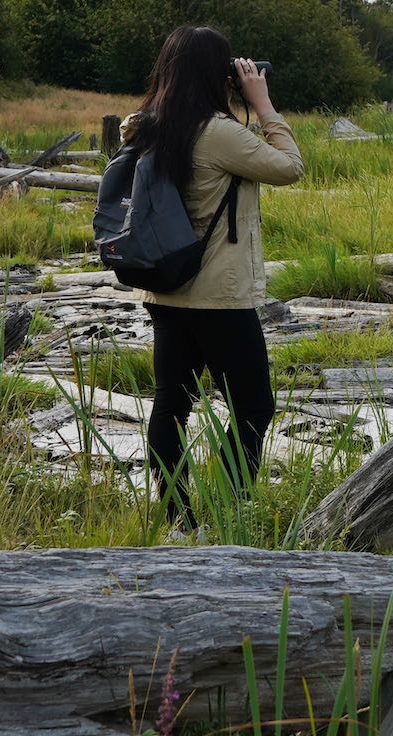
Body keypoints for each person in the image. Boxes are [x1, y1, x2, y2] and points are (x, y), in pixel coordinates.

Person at [121, 27, 304, 527]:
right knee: (255, 407)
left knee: (171, 404)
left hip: (165, 288)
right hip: (219, 297)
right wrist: (262, 102)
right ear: (215, 74)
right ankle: (225, 509)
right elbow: (290, 167)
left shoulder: (146, 127)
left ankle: (179, 517)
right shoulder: (219, 133)